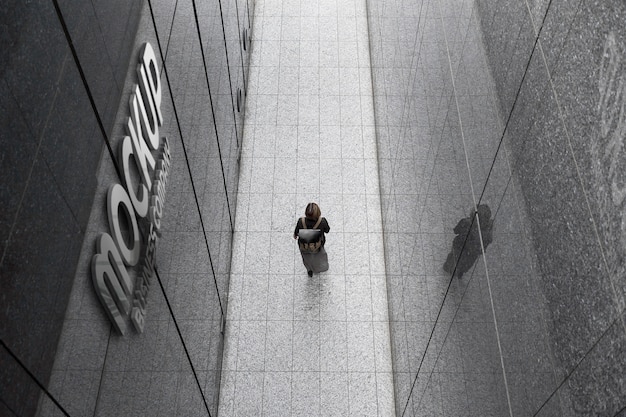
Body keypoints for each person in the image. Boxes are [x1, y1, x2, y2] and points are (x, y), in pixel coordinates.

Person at [443, 204, 493, 279]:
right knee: (462, 266)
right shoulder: (487, 231)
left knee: (451, 263)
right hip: (472, 253)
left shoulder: (466, 222)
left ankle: (449, 273)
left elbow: (456, 230)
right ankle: (458, 274)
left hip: (460, 247)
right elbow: (487, 242)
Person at [293, 202, 330, 277]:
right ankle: (318, 268)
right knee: (318, 255)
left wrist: (295, 235)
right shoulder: (322, 221)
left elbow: (296, 232)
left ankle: (309, 269)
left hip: (304, 244)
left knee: (306, 257)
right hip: (317, 244)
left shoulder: (301, 221)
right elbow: (327, 230)